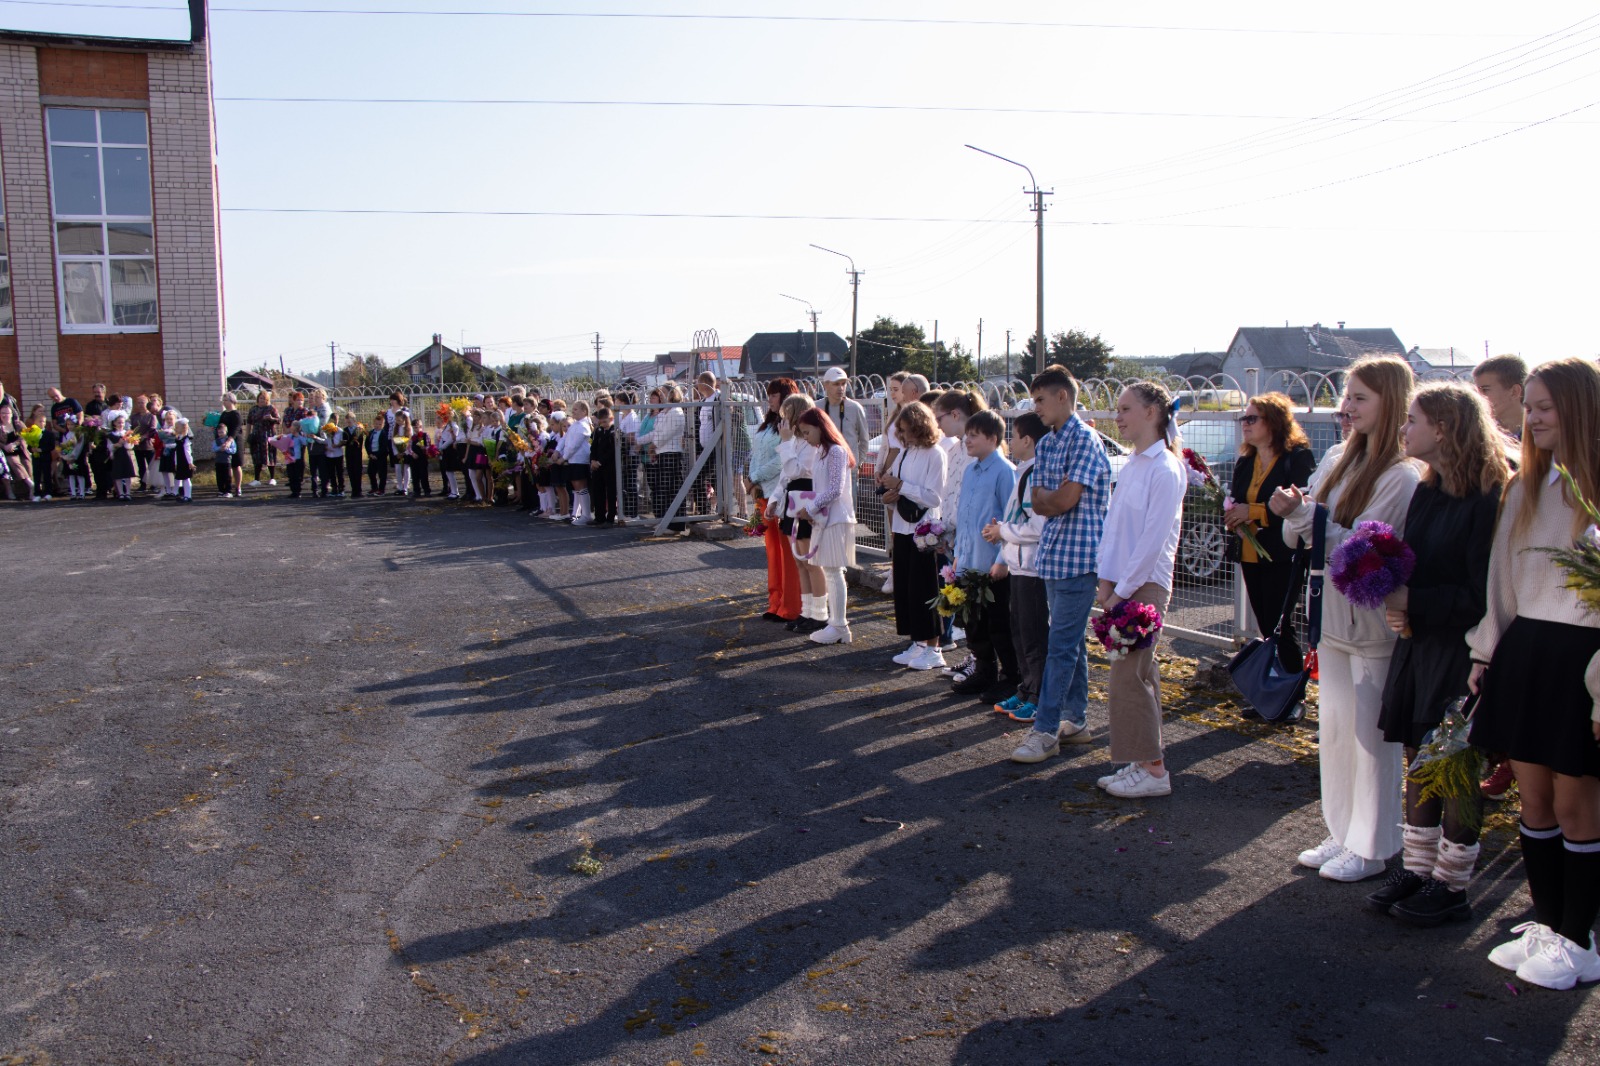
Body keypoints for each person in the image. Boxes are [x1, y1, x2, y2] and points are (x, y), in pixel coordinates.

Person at [1466, 357, 1600, 990]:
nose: (1535, 417)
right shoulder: (1524, 487)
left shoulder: (1593, 488)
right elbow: (1503, 579)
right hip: (1526, 653)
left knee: (1579, 807)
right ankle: (1551, 923)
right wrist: (1485, 652)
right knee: (1535, 799)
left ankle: (1582, 939)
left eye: (1547, 406)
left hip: (1583, 659)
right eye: (1533, 407)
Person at [1363, 383, 1508, 925]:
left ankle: (1452, 883)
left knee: (1455, 766)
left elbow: (1483, 593)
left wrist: (1412, 601)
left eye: (1414, 421)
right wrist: (1395, 597)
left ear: (1444, 428)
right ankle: (1419, 868)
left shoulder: (1489, 497)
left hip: (1461, 650)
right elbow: (1413, 563)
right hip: (1420, 641)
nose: (1405, 431)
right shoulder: (1429, 488)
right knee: (1420, 760)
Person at [1275, 355, 1419, 883]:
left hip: (1372, 623)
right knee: (1334, 731)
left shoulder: (1401, 474)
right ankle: (1342, 829)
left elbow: (1364, 548)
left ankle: (1376, 843)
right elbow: (1298, 533)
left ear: (1391, 401)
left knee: (1370, 736)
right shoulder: (1337, 454)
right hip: (1329, 618)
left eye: (1360, 397)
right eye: (1346, 394)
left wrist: (1302, 518)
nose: (1347, 406)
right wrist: (1300, 517)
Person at [1089, 383, 1189, 797]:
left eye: (1126, 408)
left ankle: (1153, 771)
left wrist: (1122, 591)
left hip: (1144, 585)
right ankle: (1141, 760)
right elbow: (1115, 531)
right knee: (1135, 675)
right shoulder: (1133, 464)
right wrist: (1106, 581)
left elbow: (1153, 541)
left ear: (1152, 412)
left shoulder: (1164, 468)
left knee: (1129, 678)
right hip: (1123, 584)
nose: (1118, 416)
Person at [1010, 367, 1113, 764]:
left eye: (1039, 400)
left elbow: (1064, 500)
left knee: (1061, 646)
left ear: (1062, 398)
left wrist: (1051, 498)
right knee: (1067, 642)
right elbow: (1037, 500)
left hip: (1080, 556)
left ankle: (1045, 730)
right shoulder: (1050, 442)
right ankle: (1076, 720)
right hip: (1054, 555)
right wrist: (1051, 498)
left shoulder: (1085, 439)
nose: (1035, 408)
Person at [1224, 392, 1317, 717]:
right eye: (1243, 419)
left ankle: (1294, 699)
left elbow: (1303, 506)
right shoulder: (1246, 460)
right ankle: (1273, 693)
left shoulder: (1297, 457)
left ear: (1274, 422)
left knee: (1283, 625)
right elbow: (1236, 500)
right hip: (1251, 554)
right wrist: (1233, 515)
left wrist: (1256, 512)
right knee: (1266, 625)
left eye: (1252, 419)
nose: (1244, 425)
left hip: (1283, 555)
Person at [949, 409, 1018, 699]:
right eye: (967, 435)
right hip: (969, 561)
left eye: (974, 435)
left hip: (992, 565)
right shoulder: (970, 470)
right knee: (975, 624)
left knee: (999, 624)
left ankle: (1010, 677)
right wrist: (957, 555)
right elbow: (966, 518)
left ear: (992, 438)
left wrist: (1002, 560)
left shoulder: (1004, 472)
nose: (967, 440)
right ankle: (983, 671)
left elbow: (1011, 518)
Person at [987, 412, 1050, 722]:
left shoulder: (1035, 473)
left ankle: (1038, 696)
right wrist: (1004, 528)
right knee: (1020, 634)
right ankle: (1026, 689)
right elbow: (1020, 518)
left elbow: (1038, 527)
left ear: (1028, 441)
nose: (1009, 442)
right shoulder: (1025, 471)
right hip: (1020, 566)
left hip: (1033, 569)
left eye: (1013, 436)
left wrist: (1004, 532)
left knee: (1033, 636)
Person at [882, 401, 948, 671]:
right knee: (907, 588)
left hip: (924, 530)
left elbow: (934, 496)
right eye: (901, 431)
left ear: (921, 427)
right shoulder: (905, 453)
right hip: (902, 525)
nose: (904, 436)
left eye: (908, 430)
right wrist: (888, 496)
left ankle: (934, 647)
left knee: (925, 588)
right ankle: (919, 642)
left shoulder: (935, 454)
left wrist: (901, 486)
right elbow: (894, 485)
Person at [794, 407, 858, 645]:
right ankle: (836, 624)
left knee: (834, 572)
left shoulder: (836, 451)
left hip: (836, 519)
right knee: (831, 572)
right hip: (824, 518)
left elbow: (834, 489)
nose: (806, 437)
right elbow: (824, 490)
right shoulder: (822, 451)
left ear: (820, 427)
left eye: (807, 431)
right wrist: (810, 510)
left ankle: (839, 625)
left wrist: (809, 509)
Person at [750, 379, 801, 624]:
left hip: (779, 492)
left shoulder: (789, 425)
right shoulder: (768, 423)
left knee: (787, 552)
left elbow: (782, 461)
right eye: (768, 395)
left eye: (774, 395)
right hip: (763, 492)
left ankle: (791, 606)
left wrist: (756, 477)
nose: (769, 399)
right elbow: (755, 453)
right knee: (772, 550)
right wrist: (751, 480)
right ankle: (776, 601)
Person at [775, 394, 822, 632]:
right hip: (792, 500)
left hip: (805, 499)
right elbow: (785, 475)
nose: (782, 420)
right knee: (799, 562)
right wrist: (774, 500)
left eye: (786, 415)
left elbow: (795, 470)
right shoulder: (793, 441)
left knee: (810, 561)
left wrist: (784, 444)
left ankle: (819, 615)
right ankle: (806, 612)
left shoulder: (810, 443)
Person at [639, 386, 686, 529]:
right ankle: (664, 521)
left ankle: (675, 525)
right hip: (662, 453)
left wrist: (653, 445)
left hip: (671, 453)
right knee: (662, 489)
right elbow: (656, 432)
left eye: (664, 393)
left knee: (671, 488)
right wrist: (643, 442)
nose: (661, 396)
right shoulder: (664, 412)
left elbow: (666, 433)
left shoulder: (676, 411)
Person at [818, 366, 871, 489]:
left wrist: (857, 464)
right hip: (823, 469)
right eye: (836, 384)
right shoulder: (816, 408)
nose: (841, 388)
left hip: (848, 470)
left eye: (843, 384)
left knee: (849, 507)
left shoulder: (855, 408)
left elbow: (864, 440)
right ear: (826, 385)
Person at [1472, 354, 1527, 440]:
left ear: (1514, 392)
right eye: (1477, 391)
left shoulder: (1540, 431)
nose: (1479, 397)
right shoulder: (1477, 436)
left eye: (1485, 390)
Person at [563, 400, 594, 525]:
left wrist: (564, 457)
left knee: (581, 486)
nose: (573, 411)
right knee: (577, 487)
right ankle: (581, 514)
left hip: (580, 459)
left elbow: (575, 445)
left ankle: (586, 515)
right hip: (573, 459)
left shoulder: (583, 426)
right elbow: (567, 442)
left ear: (584, 411)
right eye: (573, 409)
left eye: (576, 409)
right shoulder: (576, 424)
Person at [589, 405, 619, 526]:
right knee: (598, 491)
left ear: (611, 418)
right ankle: (599, 516)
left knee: (611, 492)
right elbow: (593, 447)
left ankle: (610, 517)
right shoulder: (598, 431)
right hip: (597, 466)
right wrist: (593, 460)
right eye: (601, 422)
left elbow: (612, 451)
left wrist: (600, 461)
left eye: (605, 421)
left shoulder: (614, 431)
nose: (603, 424)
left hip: (609, 466)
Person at [246, 389, 280, 487]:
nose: (262, 400)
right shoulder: (253, 409)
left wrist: (271, 418)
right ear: (257, 399)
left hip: (268, 435)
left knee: (270, 455)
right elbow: (248, 422)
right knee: (256, 457)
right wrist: (247, 435)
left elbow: (279, 420)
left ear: (267, 400)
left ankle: (272, 478)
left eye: (264, 399)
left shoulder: (271, 408)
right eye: (260, 398)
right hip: (256, 435)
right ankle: (257, 479)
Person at [218, 394, 244, 498]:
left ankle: (238, 487)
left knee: (236, 465)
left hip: (235, 441)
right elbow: (221, 425)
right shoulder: (224, 414)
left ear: (232, 401)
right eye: (223, 400)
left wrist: (229, 440)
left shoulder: (236, 414)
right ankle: (227, 487)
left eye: (226, 400)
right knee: (227, 465)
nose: (224, 402)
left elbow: (236, 429)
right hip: (225, 441)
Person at [366, 410, 391, 497]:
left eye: (380, 424)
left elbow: (384, 446)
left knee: (382, 474)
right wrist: (370, 454)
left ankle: (381, 489)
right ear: (373, 424)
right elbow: (367, 444)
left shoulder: (384, 434)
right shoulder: (371, 433)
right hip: (372, 455)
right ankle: (374, 488)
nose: (377, 426)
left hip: (380, 456)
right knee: (370, 472)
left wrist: (377, 455)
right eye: (376, 424)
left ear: (383, 424)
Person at [169, 418, 195, 502]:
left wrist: (190, 462)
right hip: (180, 461)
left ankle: (188, 496)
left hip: (185, 462)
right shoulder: (178, 438)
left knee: (186, 478)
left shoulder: (185, 440)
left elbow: (188, 452)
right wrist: (176, 463)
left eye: (177, 427)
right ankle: (182, 494)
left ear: (183, 428)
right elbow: (177, 452)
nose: (175, 428)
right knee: (182, 478)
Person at [156, 409, 179, 498]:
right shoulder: (164, 428)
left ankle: (175, 490)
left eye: (171, 419)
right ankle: (168, 490)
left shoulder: (177, 428)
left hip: (174, 451)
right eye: (167, 419)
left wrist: (174, 434)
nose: (169, 421)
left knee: (174, 471)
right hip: (165, 450)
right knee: (165, 471)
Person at [393, 412, 415, 498]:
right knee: (398, 468)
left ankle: (405, 487)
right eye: (396, 420)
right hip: (398, 452)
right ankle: (400, 487)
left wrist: (404, 452)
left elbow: (410, 441)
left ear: (404, 420)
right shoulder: (395, 429)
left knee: (406, 468)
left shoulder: (409, 429)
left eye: (399, 420)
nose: (398, 421)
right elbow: (393, 441)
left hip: (406, 452)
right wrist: (397, 452)